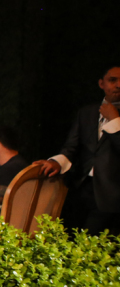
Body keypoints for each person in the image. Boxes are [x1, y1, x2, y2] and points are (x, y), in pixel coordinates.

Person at [37, 64, 120, 235]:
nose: (118, 85)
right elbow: (71, 147)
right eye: (113, 80)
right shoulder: (87, 113)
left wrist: (114, 120)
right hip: (80, 187)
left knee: (92, 242)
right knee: (67, 236)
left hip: (111, 194)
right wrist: (56, 162)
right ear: (101, 83)